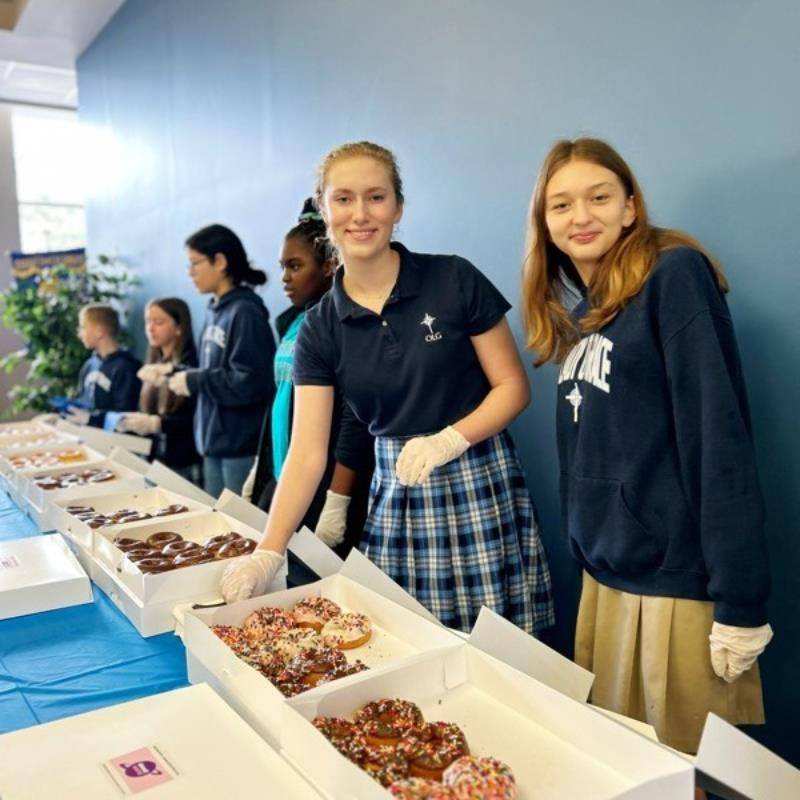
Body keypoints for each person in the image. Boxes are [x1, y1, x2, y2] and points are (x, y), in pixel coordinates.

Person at [221, 141, 554, 636]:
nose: (360, 214)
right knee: (408, 642)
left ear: (398, 207)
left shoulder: (454, 277)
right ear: (324, 210)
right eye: (343, 199)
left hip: (479, 478)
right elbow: (307, 453)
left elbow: (513, 387)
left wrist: (449, 440)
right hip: (397, 494)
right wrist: (268, 549)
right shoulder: (320, 328)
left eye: (376, 197)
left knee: (498, 647)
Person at [520, 137, 772, 752]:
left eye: (599, 197)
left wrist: (739, 600)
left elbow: (718, 437)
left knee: (682, 772)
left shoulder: (674, 275)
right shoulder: (588, 312)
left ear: (630, 207)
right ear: (545, 223)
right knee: (631, 765)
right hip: (608, 575)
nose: (581, 216)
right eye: (561, 204)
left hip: (674, 580)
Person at [241, 200, 374, 555]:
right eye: (283, 266)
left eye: (295, 266)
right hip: (284, 474)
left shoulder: (343, 325)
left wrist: (338, 498)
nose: (285, 277)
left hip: (324, 479)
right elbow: (280, 398)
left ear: (329, 266)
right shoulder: (292, 322)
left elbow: (353, 418)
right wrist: (261, 466)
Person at [163, 224, 276, 497]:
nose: (190, 273)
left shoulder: (245, 311)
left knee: (238, 522)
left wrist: (194, 380)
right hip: (213, 442)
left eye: (195, 263)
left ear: (220, 262)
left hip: (239, 446)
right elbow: (214, 371)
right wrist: (175, 373)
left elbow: (251, 382)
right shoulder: (215, 309)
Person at [115, 298, 202, 482]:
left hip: (184, 464)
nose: (151, 328)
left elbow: (195, 421)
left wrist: (157, 424)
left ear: (179, 328)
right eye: (148, 321)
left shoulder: (193, 367)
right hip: (155, 462)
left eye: (159, 322)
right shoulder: (153, 363)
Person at [72, 303, 141, 428]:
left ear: (99, 332)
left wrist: (94, 419)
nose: (80, 334)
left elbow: (125, 414)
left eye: (83, 327)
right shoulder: (89, 365)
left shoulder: (126, 367)